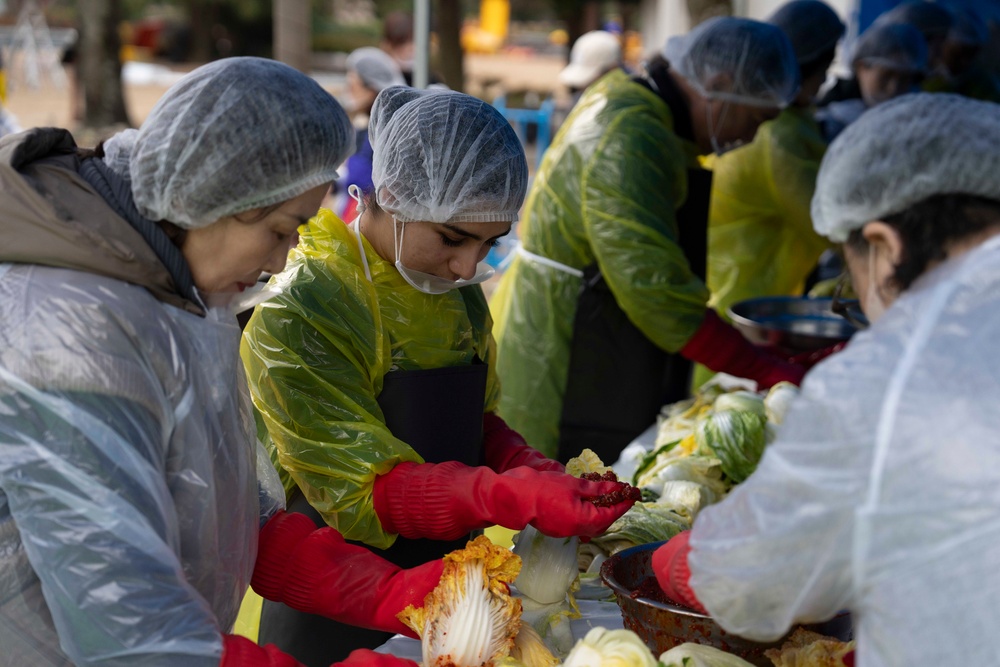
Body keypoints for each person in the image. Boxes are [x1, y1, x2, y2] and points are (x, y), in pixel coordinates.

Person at [0, 57, 449, 667]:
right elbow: (129, 629)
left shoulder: (186, 280)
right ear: (217, 198)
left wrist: (385, 591)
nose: (284, 258)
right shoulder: (69, 328)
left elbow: (218, 498)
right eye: (283, 228)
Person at [240, 86, 637, 664]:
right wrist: (504, 495)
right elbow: (360, 491)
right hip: (335, 603)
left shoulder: (458, 295)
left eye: (489, 243)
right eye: (453, 238)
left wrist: (529, 467)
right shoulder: (305, 307)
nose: (469, 266)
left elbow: (473, 421)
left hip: (457, 599)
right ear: (393, 195)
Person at [652, 93, 1000, 666]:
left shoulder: (891, 376)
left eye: (850, 269)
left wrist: (688, 561)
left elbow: (753, 581)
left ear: (885, 246)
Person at [490, 17, 806, 464]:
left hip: (599, 332)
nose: (749, 137)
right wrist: (758, 366)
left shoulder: (642, 110)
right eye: (755, 118)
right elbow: (653, 285)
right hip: (563, 346)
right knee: (557, 497)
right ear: (717, 84)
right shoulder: (630, 133)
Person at [706, 0, 844, 320]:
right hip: (741, 302)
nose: (825, 78)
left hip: (729, 289)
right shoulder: (780, 136)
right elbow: (827, 224)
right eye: (824, 65)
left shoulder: (780, 121)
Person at [816, 21, 927, 141]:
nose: (894, 87)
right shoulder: (833, 122)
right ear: (861, 67)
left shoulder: (918, 119)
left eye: (904, 78)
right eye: (886, 75)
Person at [338, 47, 407, 223]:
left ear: (371, 89)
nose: (349, 92)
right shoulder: (367, 126)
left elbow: (361, 180)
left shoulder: (382, 134)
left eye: (353, 86)